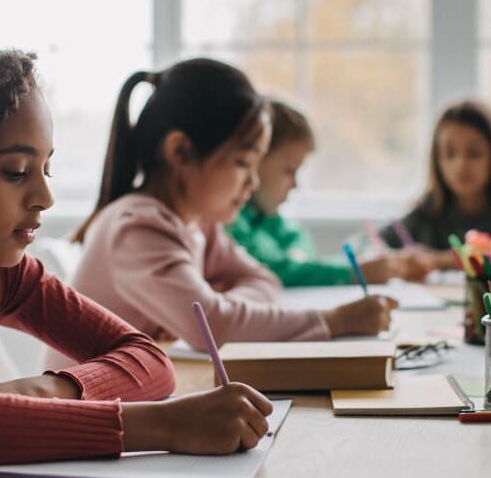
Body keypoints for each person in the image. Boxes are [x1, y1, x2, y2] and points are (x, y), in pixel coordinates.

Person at [0, 40, 274, 478]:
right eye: (15, 172)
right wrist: (166, 427)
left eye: (47, 169)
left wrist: (42, 391)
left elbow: (149, 361)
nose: (44, 196)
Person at [51, 59, 395, 367]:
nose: (253, 181)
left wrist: (219, 307)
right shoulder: (136, 227)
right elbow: (211, 326)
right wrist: (333, 321)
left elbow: (262, 280)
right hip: (86, 417)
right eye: (243, 163)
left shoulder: (200, 225)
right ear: (181, 151)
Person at [226, 98, 431, 287]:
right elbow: (272, 270)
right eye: (289, 170)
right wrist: (353, 272)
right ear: (255, 160)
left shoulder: (267, 217)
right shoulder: (230, 218)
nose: (295, 185)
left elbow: (300, 240)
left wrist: (298, 263)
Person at [379, 99, 491, 272]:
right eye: (449, 153)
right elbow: (367, 243)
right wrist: (396, 262)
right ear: (437, 160)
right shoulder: (427, 211)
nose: (461, 165)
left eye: (474, 153)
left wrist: (442, 260)